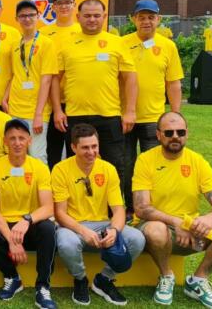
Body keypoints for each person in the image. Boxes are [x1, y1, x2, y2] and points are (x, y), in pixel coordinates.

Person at [133, 112, 212, 308]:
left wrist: (209, 219)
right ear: (158, 135)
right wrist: (178, 222)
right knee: (156, 229)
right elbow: (141, 208)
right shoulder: (145, 160)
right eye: (169, 132)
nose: (175, 136)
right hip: (158, 231)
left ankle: (198, 280)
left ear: (187, 133)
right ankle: (166, 276)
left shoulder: (197, 161)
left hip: (193, 233)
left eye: (180, 132)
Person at [53, 124, 145, 306]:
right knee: (66, 242)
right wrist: (83, 231)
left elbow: (118, 209)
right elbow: (60, 213)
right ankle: (80, 279)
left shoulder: (108, 169)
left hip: (102, 224)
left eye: (94, 146)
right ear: (73, 147)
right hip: (72, 226)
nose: (91, 152)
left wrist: (114, 230)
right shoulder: (60, 170)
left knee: (137, 238)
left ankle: (104, 279)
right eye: (85, 147)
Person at [52, 0, 137, 194]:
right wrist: (57, 110)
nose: (92, 19)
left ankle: (115, 208)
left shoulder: (117, 43)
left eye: (97, 16)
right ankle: (78, 207)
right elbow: (55, 79)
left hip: (109, 115)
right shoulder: (65, 44)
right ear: (78, 17)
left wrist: (130, 111)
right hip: (75, 116)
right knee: (76, 167)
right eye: (87, 15)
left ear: (104, 17)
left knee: (115, 166)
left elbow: (130, 78)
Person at [0, 119, 56, 309]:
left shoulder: (39, 167)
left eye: (21, 138)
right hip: (4, 224)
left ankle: (43, 287)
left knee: (48, 229)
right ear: (4, 141)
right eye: (12, 138)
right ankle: (12, 277)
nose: (17, 143)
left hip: (29, 224)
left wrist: (27, 220)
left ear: (29, 141)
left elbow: (48, 207)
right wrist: (11, 240)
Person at [122, 0, 183, 213]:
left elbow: (173, 83)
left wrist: (175, 115)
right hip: (124, 117)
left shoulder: (168, 46)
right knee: (126, 165)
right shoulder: (121, 43)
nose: (146, 21)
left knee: (156, 166)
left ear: (159, 19)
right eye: (141, 17)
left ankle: (154, 207)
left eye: (151, 17)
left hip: (153, 118)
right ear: (133, 19)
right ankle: (131, 208)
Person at [4, 0, 58, 164]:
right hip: (15, 108)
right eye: (23, 16)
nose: (27, 19)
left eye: (31, 15)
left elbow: (46, 80)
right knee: (15, 154)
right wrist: (5, 98)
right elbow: (15, 74)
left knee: (37, 156)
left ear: (38, 16)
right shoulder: (15, 44)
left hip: (36, 111)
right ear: (17, 19)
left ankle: (41, 183)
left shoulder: (47, 44)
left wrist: (38, 114)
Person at [39, 0, 80, 170]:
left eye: (68, 2)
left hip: (75, 102)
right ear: (53, 7)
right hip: (49, 102)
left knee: (76, 150)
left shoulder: (82, 30)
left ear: (74, 5)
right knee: (52, 151)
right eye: (59, 2)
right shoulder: (43, 33)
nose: (64, 6)